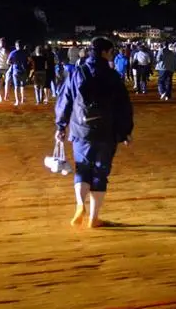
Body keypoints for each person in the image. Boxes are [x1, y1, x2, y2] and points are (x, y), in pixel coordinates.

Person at [55, 37, 133, 228]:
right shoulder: (113, 76)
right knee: (100, 172)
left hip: (81, 129)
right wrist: (125, 132)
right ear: (105, 52)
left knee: (83, 168)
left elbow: (65, 100)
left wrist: (60, 126)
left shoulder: (77, 73)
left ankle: (80, 204)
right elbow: (123, 106)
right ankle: (93, 218)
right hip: (107, 131)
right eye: (111, 51)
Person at [6, 40, 29, 106]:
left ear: (16, 46)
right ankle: (22, 100)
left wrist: (13, 63)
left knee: (16, 87)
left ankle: (17, 101)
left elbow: (8, 62)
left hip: (16, 71)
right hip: (24, 71)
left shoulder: (13, 52)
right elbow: (29, 60)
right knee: (22, 86)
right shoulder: (25, 52)